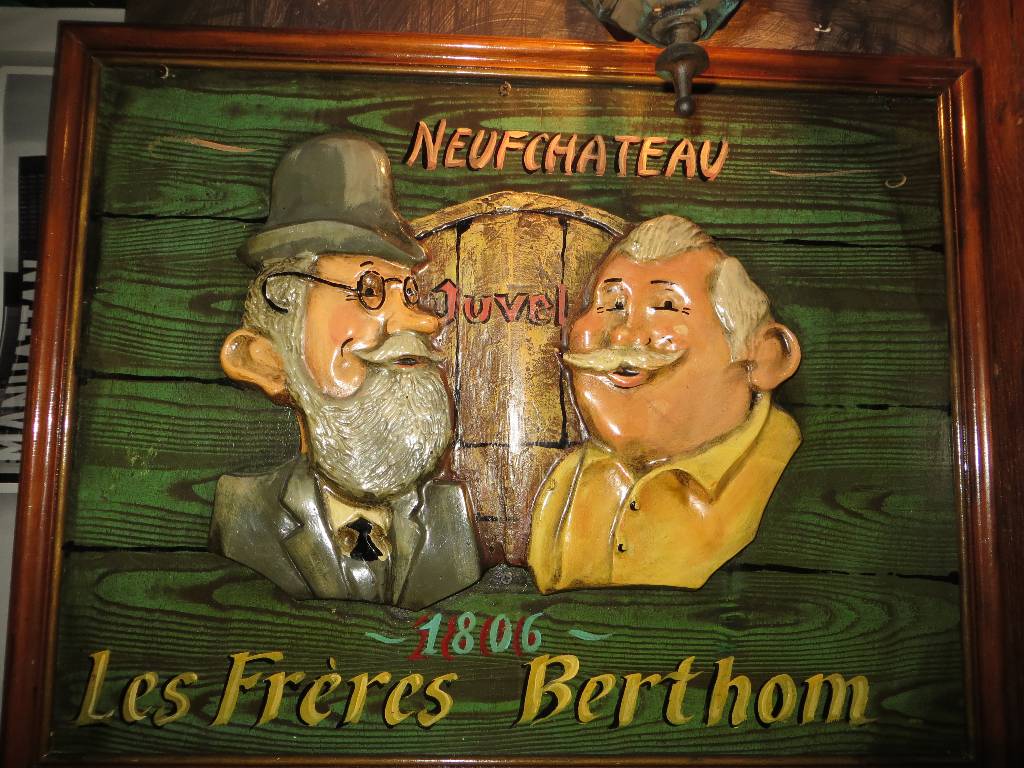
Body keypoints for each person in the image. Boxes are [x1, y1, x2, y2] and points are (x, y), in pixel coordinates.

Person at [210, 134, 482, 610]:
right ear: (269, 359)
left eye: (410, 294)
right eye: (370, 290)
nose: (424, 322)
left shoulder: (449, 515)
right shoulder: (243, 512)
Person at [528, 215, 802, 593]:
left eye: (667, 305)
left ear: (765, 359)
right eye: (612, 304)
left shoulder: (797, 479)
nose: (623, 334)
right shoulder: (569, 483)